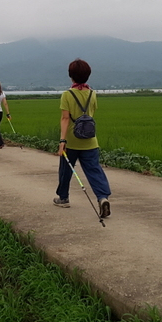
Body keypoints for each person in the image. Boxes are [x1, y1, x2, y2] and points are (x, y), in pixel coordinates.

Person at [55, 59, 111, 218]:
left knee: (66, 170)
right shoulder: (93, 94)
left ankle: (63, 197)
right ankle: (102, 198)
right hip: (90, 140)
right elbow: (92, 114)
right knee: (94, 170)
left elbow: (65, 119)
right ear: (87, 75)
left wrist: (62, 141)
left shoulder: (67, 94)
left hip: (72, 141)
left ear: (71, 75)